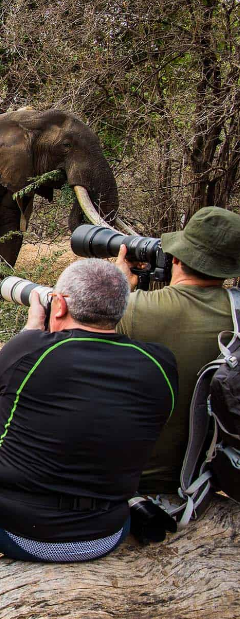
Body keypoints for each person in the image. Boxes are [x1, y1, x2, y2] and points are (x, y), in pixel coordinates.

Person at [0, 259, 177, 570]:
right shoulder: (159, 363)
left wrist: (28, 330)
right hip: (107, 531)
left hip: (23, 529)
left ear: (60, 305)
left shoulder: (31, 348)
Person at [115, 206, 240, 494]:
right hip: (212, 475)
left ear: (176, 258)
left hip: (136, 480)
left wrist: (118, 285)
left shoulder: (133, 309)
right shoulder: (235, 316)